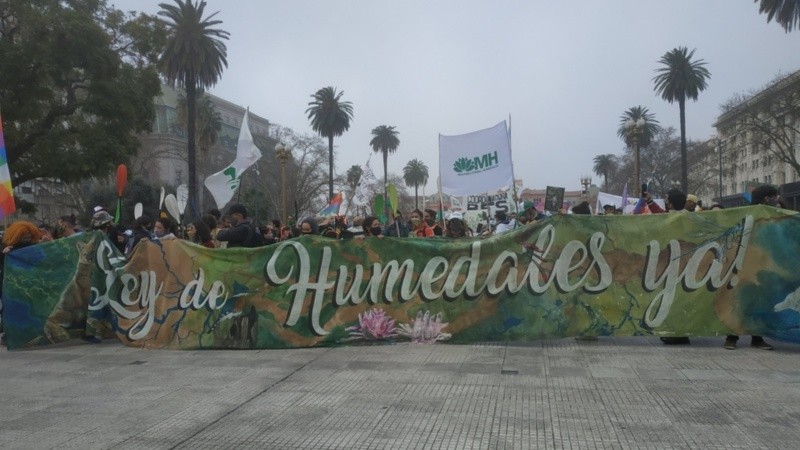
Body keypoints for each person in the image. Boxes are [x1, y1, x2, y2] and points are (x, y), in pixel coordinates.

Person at [724, 185, 779, 350]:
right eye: (774, 197)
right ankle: (732, 336)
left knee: (759, 301)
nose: (777, 201)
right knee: (739, 300)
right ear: (766, 198)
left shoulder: (772, 215)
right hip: (743, 263)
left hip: (763, 265)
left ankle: (756, 337)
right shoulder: (746, 214)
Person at [1, 221, 44, 346]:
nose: (26, 238)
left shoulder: (32, 249)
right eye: (24, 235)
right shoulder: (9, 250)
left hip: (25, 285)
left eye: (28, 235)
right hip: (14, 286)